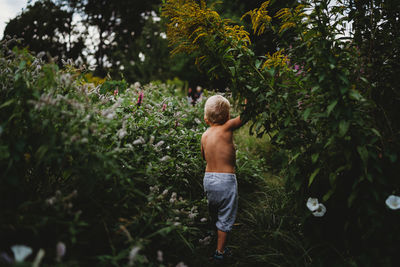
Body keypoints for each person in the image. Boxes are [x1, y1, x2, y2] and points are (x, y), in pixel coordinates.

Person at [200, 95, 244, 261]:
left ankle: (213, 231)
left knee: (215, 210)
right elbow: (245, 118)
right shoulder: (227, 127)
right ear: (227, 116)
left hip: (208, 179)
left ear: (206, 119)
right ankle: (220, 252)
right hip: (225, 180)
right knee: (225, 217)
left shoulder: (204, 135)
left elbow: (204, 157)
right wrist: (248, 101)